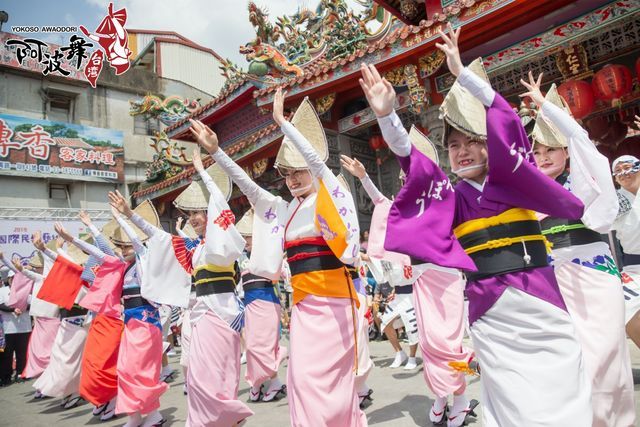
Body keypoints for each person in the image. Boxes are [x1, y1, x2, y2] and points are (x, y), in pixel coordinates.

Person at [358, 23, 592, 426]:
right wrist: (388, 117)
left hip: (541, 298)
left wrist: (462, 73)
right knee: (512, 402)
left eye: (471, 142)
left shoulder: (515, 181)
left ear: (491, 146)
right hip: (490, 308)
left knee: (565, 387)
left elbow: (507, 124)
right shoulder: (449, 197)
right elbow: (410, 161)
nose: (461, 152)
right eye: (453, 145)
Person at [190, 90, 367, 426]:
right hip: (302, 308)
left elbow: (317, 163)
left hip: (335, 306)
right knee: (301, 382)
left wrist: (284, 124)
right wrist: (217, 153)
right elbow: (248, 187)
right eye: (287, 173)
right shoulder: (283, 211)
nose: (293, 178)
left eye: (299, 171)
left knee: (333, 386)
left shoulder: (332, 194)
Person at [523, 74, 635, 426]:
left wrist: (547, 107)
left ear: (565, 152)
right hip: (551, 284)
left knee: (605, 359)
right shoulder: (529, 194)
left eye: (550, 150)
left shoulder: (584, 183)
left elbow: (581, 139)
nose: (543, 158)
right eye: (536, 152)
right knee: (566, 364)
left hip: (593, 275)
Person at [114, 151, 252, 427]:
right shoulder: (194, 248)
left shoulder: (224, 242)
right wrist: (130, 216)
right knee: (197, 377)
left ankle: (227, 418)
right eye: (190, 215)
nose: (194, 219)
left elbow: (219, 204)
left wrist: (203, 172)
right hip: (201, 315)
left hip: (223, 314)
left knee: (219, 375)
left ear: (211, 214)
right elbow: (160, 237)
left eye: (198, 213)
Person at [235, 208, 288, 402]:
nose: (246, 241)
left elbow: (278, 272)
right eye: (244, 238)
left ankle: (271, 381)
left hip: (266, 301)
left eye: (249, 237)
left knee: (263, 346)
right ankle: (257, 382)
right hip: (249, 303)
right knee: (251, 346)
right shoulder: (242, 257)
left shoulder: (267, 253)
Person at [611, 151, 640, 347]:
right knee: (625, 308)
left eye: (629, 167)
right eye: (618, 171)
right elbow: (600, 220)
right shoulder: (616, 201)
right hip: (634, 268)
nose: (624, 173)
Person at [0, 260, 31, 387]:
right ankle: (6, 376)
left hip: (24, 327)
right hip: (8, 328)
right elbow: (1, 305)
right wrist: (13, 309)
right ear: (9, 279)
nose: (14, 280)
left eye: (17, 278)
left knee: (22, 352)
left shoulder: (26, 290)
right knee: (6, 353)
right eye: (12, 278)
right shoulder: (3, 291)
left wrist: (22, 308)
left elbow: (31, 304)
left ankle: (20, 373)